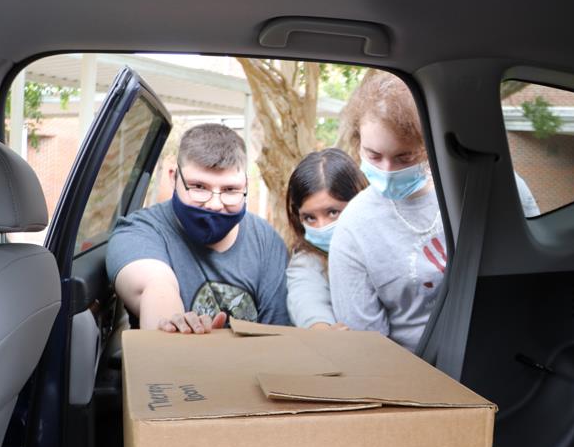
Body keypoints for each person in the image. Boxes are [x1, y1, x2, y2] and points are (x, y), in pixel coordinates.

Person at [106, 123, 289, 333]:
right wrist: (173, 326)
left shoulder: (266, 241)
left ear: (245, 185)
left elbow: (277, 332)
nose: (215, 204)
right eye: (199, 187)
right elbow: (155, 287)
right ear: (174, 177)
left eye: (230, 190)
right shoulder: (139, 232)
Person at [328, 72, 445, 352]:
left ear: (427, 146)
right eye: (373, 155)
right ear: (358, 144)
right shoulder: (353, 228)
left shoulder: (474, 191)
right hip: (413, 375)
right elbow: (369, 348)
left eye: (405, 157)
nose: (387, 170)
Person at [285, 148, 367, 330]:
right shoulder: (307, 260)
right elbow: (307, 299)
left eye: (333, 212)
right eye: (310, 218)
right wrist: (323, 331)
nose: (322, 226)